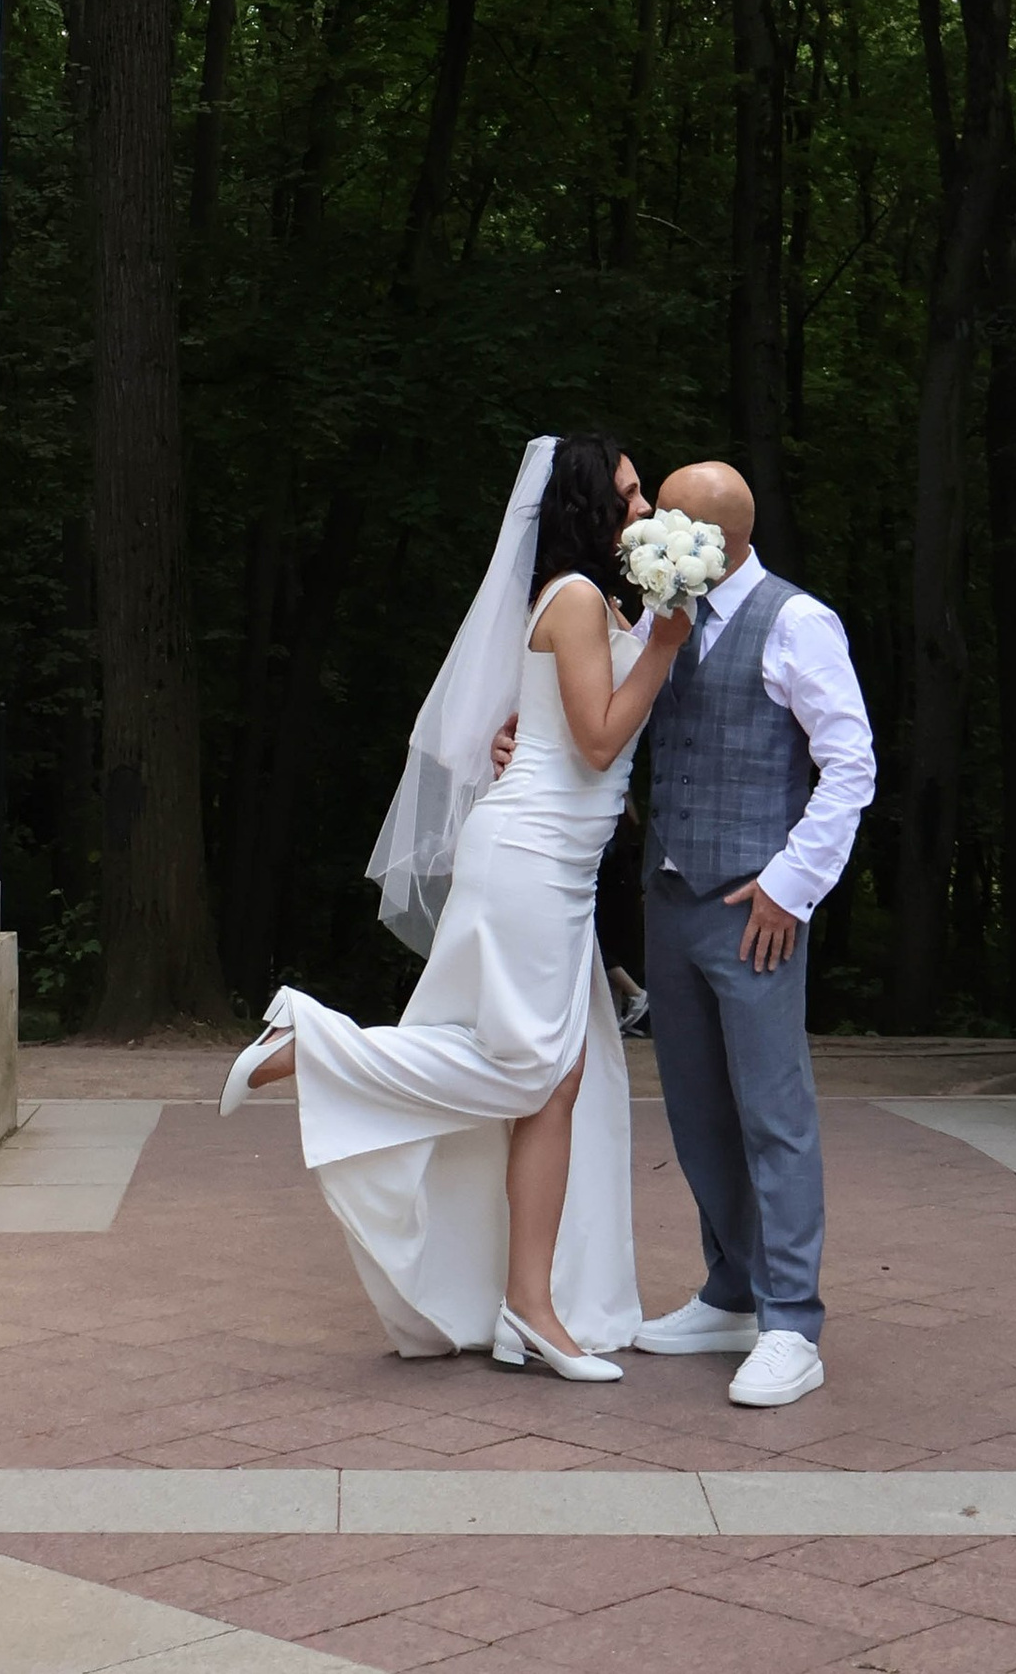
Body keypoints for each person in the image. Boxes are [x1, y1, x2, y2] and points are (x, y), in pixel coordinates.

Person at [221, 436, 687, 1379]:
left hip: (554, 862)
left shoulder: (591, 604)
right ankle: (312, 1044)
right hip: (530, 859)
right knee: (529, 1072)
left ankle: (532, 1309)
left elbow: (564, 739)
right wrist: (667, 646)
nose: (643, 512)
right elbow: (600, 739)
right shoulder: (579, 598)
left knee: (556, 1080)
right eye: (630, 497)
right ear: (590, 511)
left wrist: (649, 640)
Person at [631, 459, 876, 1410]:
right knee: (696, 1108)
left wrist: (790, 886)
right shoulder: (668, 615)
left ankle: (790, 1322)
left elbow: (849, 764)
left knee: (773, 1113)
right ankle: (730, 1290)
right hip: (671, 896)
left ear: (717, 537)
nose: (647, 527)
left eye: (666, 519)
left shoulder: (796, 621)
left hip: (756, 907)